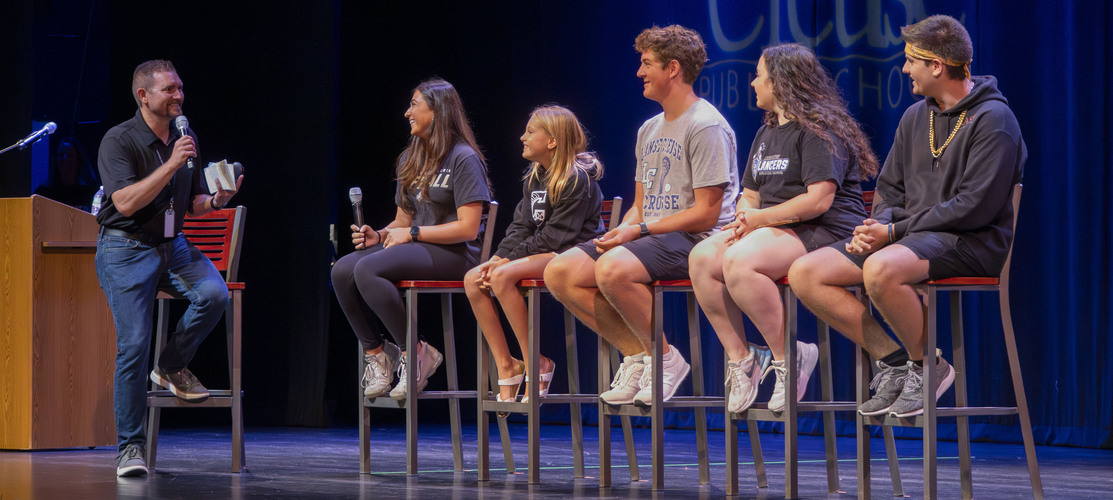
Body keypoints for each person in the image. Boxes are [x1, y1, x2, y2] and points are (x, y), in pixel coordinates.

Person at [789, 15, 1026, 418]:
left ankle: (927, 368)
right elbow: (889, 187)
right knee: (805, 273)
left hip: (969, 241)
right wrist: (877, 225)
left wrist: (893, 231)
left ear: (936, 65)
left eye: (910, 60)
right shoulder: (916, 116)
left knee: (880, 270)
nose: (904, 69)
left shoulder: (994, 120)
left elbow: (975, 206)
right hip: (909, 238)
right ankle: (898, 361)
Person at [545, 25, 739, 407]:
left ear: (673, 68)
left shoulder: (706, 125)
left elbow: (706, 213)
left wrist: (639, 230)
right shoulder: (648, 129)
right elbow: (641, 203)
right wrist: (621, 231)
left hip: (700, 241)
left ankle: (666, 359)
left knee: (613, 270)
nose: (639, 72)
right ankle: (640, 355)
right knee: (560, 272)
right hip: (654, 235)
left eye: (647, 63)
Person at [689, 43, 878, 413]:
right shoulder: (767, 134)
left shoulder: (819, 131)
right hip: (773, 229)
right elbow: (750, 195)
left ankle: (788, 357)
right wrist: (746, 216)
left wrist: (758, 221)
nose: (753, 82)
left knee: (740, 262)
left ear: (781, 80)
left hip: (827, 230)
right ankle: (744, 360)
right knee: (701, 258)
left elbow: (818, 201)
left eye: (759, 74)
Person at [95, 59, 243, 477]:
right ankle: (130, 449)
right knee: (134, 344)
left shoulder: (185, 136)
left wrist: (216, 200)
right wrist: (172, 164)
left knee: (214, 295)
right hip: (125, 247)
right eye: (169, 90)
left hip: (171, 245)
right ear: (144, 96)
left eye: (180, 87)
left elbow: (192, 203)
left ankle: (172, 363)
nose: (179, 95)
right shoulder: (119, 140)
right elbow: (123, 203)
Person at [332, 78, 492, 403]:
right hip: (419, 247)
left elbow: (469, 228)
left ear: (437, 111)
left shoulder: (463, 158)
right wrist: (379, 235)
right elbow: (403, 221)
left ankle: (414, 351)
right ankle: (378, 355)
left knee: (367, 270)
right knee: (342, 270)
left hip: (457, 253)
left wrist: (412, 233)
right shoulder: (411, 158)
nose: (407, 112)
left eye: (415, 104)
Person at [464, 105, 604, 406]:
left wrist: (507, 262)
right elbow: (521, 226)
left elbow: (557, 237)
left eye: (530, 132)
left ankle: (536, 361)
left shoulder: (577, 178)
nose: (522, 137)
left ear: (552, 141)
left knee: (501, 276)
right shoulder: (534, 177)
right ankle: (507, 364)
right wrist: (499, 256)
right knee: (474, 278)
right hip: (545, 252)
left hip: (574, 255)